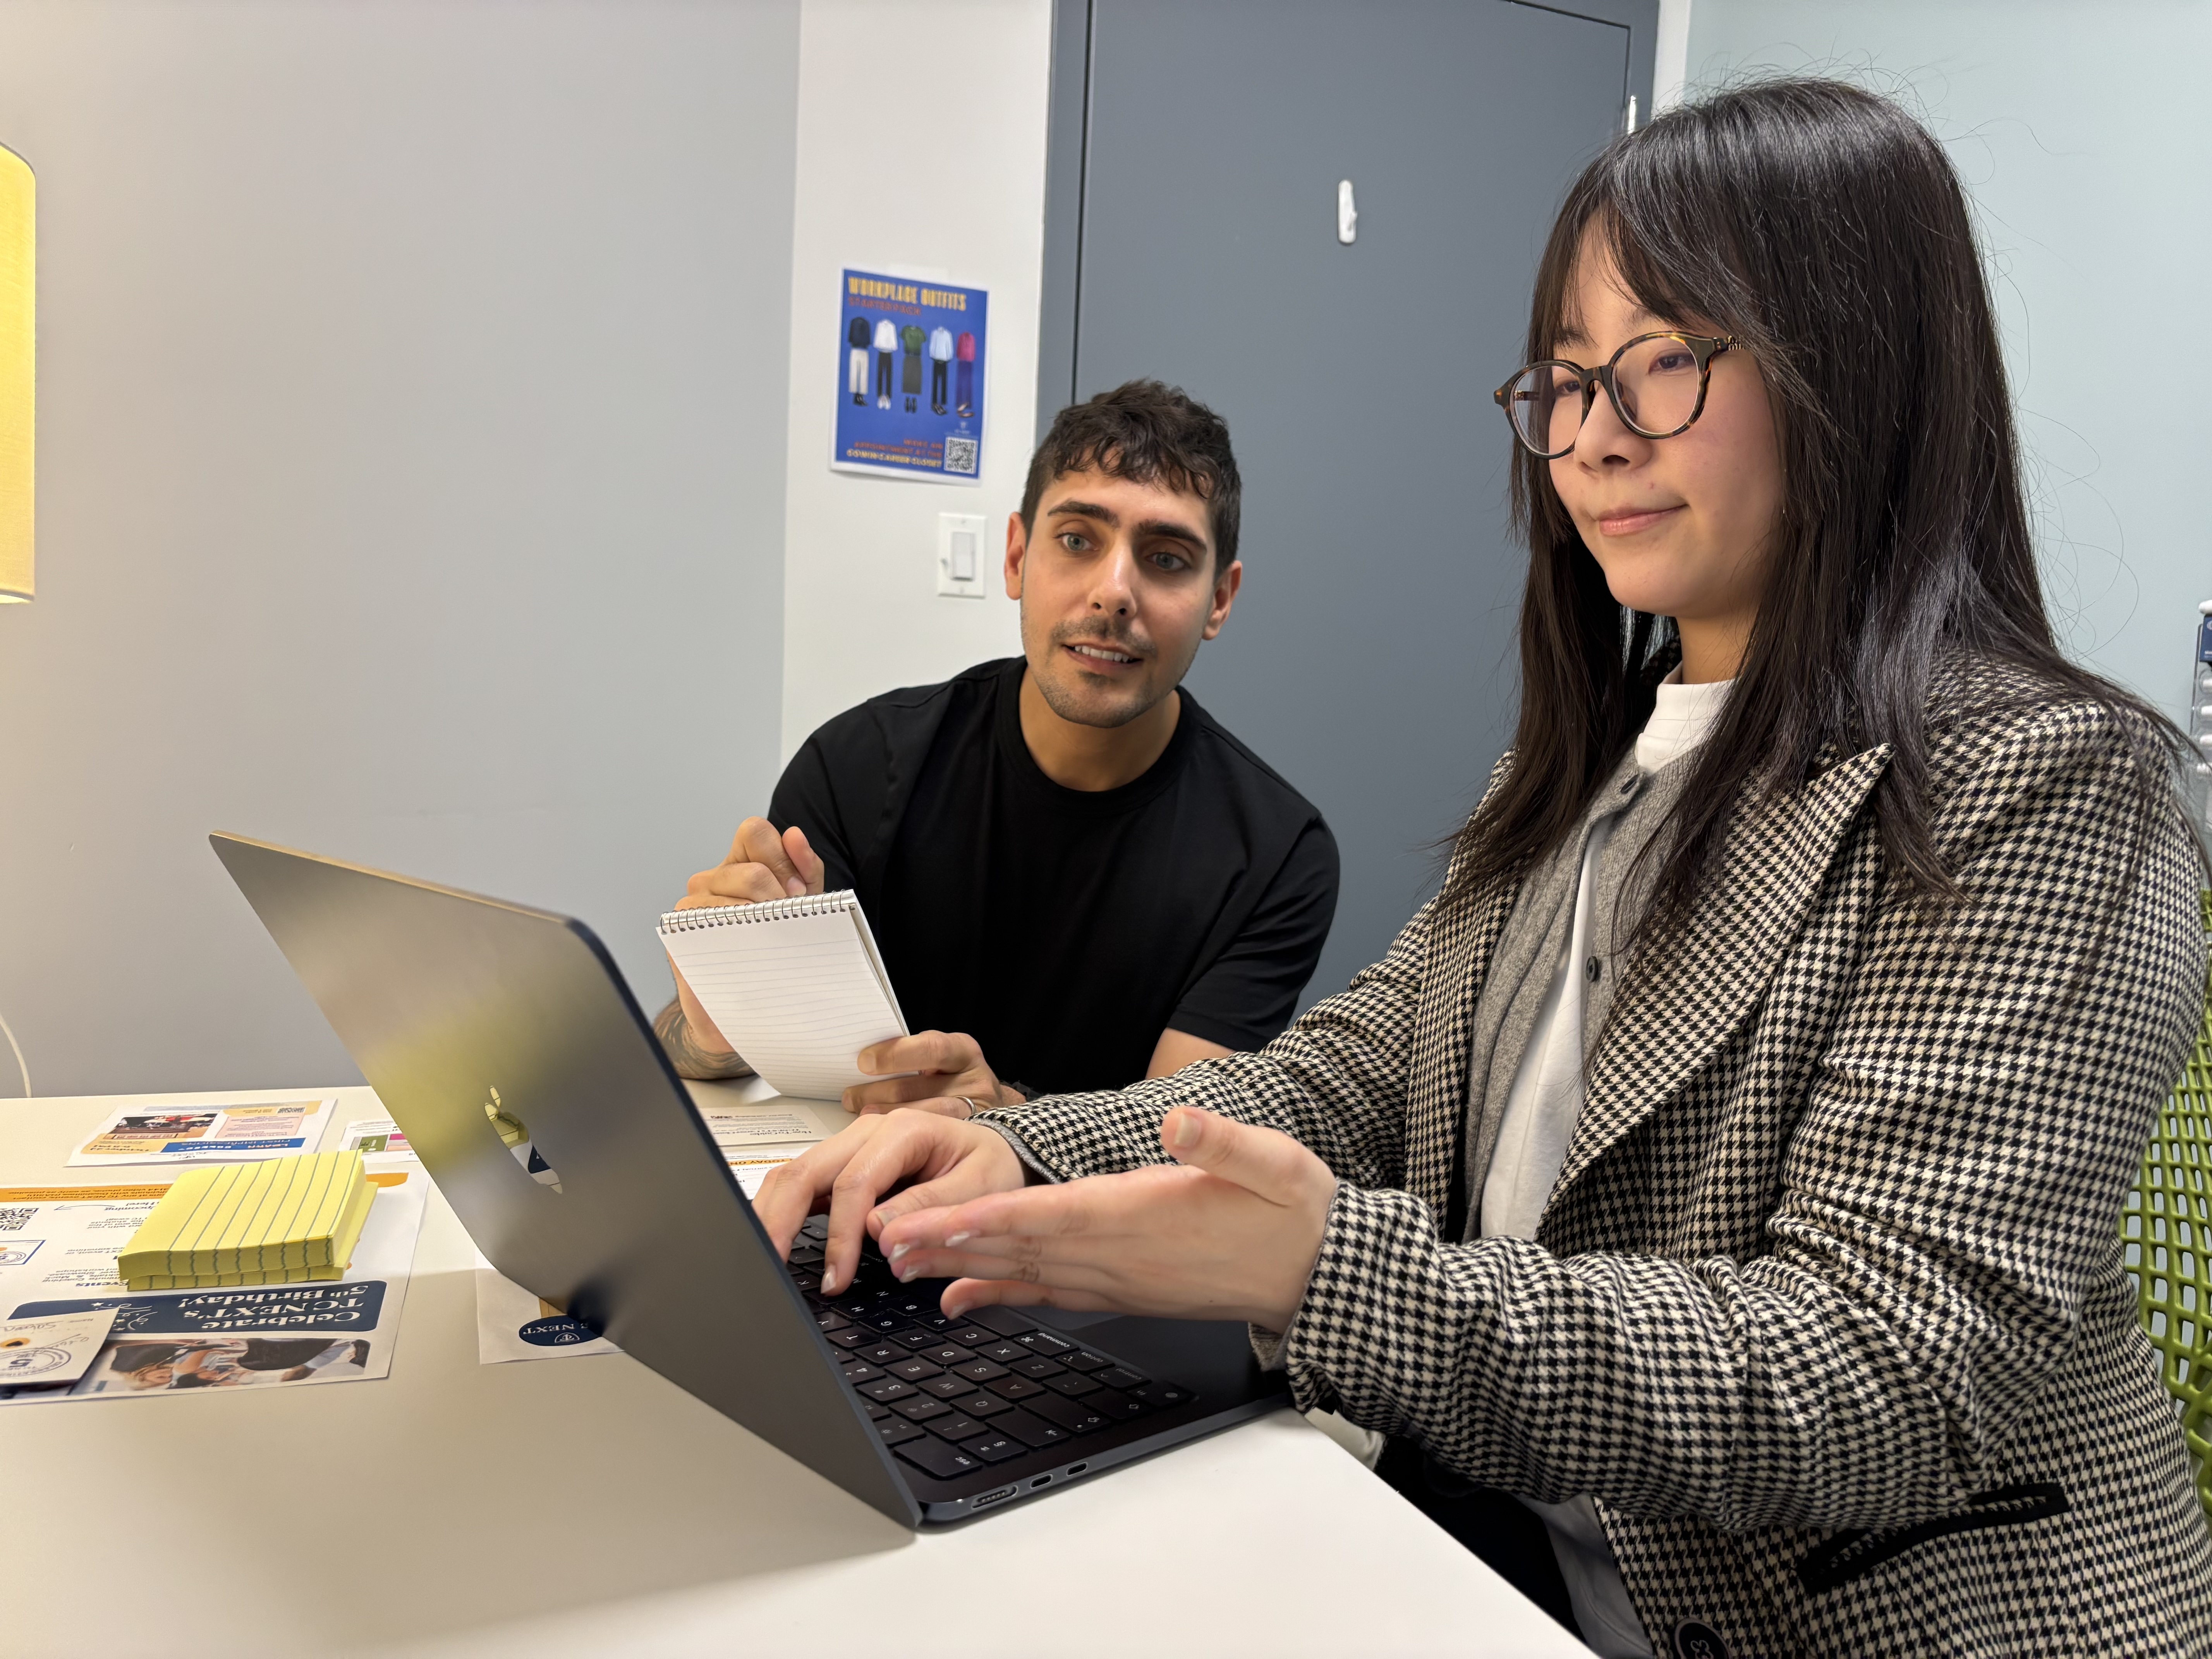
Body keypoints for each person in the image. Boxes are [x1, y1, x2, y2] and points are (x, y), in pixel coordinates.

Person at [751, 81, 2212, 1657]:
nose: (1591, 439)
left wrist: (1329, 1273)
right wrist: (1024, 1154)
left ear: (1860, 370)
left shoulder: (2045, 777)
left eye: (1663, 362)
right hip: (1507, 1539)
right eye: (1571, 380)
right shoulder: (1587, 760)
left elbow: (1884, 1375)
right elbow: (1365, 1073)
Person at [655, 380, 1339, 1120]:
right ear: (1016, 557)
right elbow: (717, 1067)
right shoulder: (857, 766)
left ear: (1221, 600)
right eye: (1078, 540)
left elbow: (1174, 1149)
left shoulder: (1274, 855)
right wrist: (713, 1030)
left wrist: (1007, 1118)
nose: (1114, 594)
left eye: (1167, 558)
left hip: (1084, 1233)